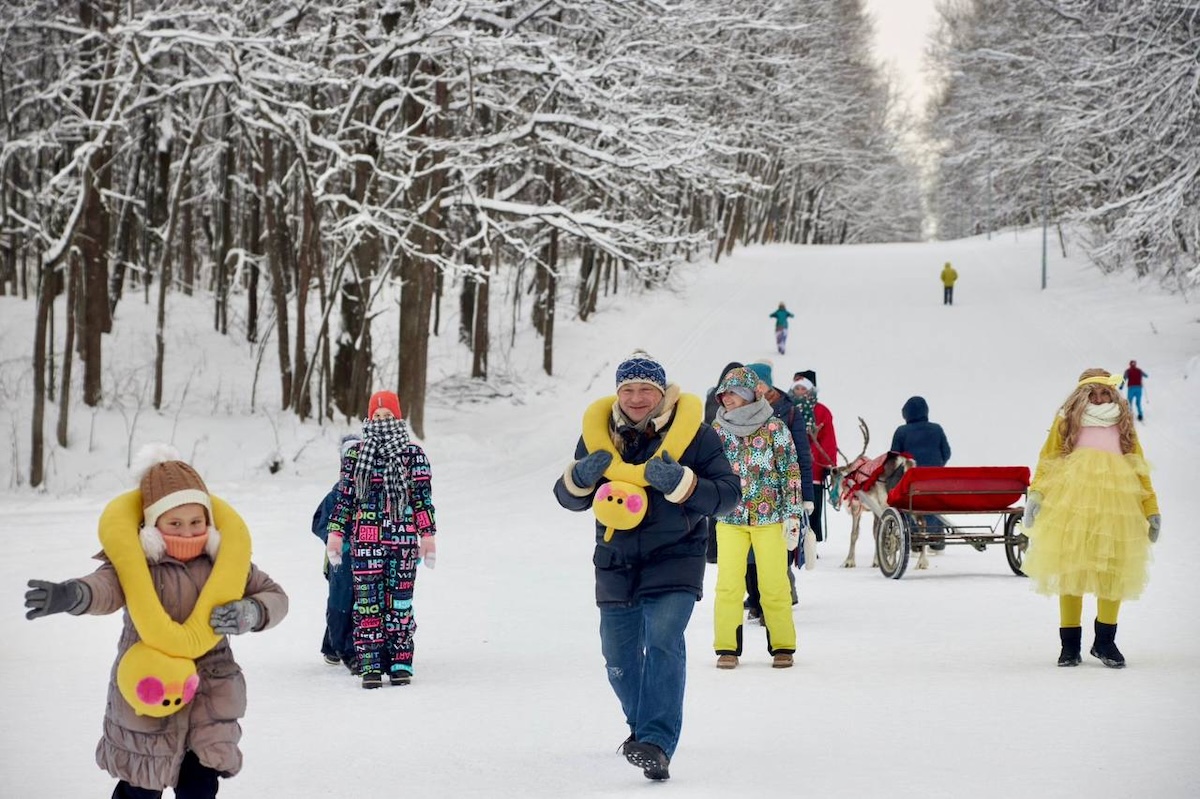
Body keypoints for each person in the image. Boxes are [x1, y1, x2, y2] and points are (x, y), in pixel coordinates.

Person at [23, 444, 288, 799]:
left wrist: (251, 612)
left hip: (208, 695)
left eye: (196, 522)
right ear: (152, 524)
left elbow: (275, 596)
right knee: (140, 787)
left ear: (209, 521)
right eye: (174, 523)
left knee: (200, 785)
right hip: (149, 698)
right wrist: (72, 595)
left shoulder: (224, 563)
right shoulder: (138, 563)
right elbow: (105, 586)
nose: (187, 531)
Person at [553, 350, 740, 781]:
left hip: (676, 555)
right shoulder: (600, 435)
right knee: (617, 658)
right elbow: (566, 498)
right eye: (628, 389)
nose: (637, 398)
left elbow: (729, 495)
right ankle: (641, 727)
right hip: (616, 559)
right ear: (618, 393)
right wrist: (579, 479)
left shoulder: (696, 436)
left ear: (662, 393)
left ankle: (656, 743)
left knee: (661, 640)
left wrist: (683, 484)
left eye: (646, 390)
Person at [1020, 369, 1160, 668]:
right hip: (1073, 506)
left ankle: (1105, 642)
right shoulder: (1067, 422)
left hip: (1116, 510)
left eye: (1104, 393)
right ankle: (1069, 646)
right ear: (1081, 396)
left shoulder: (1123, 425)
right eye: (1092, 394)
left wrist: (1151, 508)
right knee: (1072, 570)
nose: (1098, 399)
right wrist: (1037, 495)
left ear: (1113, 394)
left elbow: (1139, 469)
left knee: (1112, 571)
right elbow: (1048, 461)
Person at [326, 390, 437, 689]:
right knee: (367, 606)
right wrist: (335, 533)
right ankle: (371, 666)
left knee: (400, 605)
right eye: (377, 416)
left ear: (398, 418)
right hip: (364, 543)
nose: (383, 421)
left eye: (388, 416)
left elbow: (421, 498)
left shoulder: (413, 454)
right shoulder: (355, 455)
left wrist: (427, 535)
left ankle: (400, 663)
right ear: (369, 418)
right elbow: (345, 497)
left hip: (401, 543)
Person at [711, 366, 803, 670]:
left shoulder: (775, 427)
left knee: (774, 583)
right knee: (728, 584)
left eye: (734, 392)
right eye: (724, 393)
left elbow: (790, 471)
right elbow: (708, 471)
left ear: (751, 394)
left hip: (771, 518)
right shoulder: (717, 429)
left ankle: (782, 646)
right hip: (730, 517)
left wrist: (793, 514)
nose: (727, 398)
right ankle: (726, 647)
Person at [744, 361, 815, 614]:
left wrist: (806, 496)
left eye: (759, 383)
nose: (756, 389)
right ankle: (756, 599)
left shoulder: (789, 411)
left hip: (782, 491)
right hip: (748, 493)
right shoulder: (743, 409)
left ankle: (778, 600)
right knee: (749, 553)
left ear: (768, 383)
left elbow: (802, 455)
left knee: (778, 550)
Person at [313, 433, 361, 671]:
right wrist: (337, 542)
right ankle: (335, 646)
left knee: (359, 603)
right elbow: (318, 523)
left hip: (365, 559)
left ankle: (348, 647)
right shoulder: (336, 495)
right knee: (339, 604)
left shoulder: (368, 492)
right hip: (339, 562)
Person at [890, 396, 952, 548]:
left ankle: (915, 542)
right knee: (933, 505)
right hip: (935, 481)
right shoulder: (937, 429)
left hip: (911, 481)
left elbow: (893, 459)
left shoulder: (902, 431)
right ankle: (937, 542)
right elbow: (947, 452)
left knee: (909, 504)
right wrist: (937, 466)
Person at [703, 361, 745, 563]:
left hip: (713, 456)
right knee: (729, 504)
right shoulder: (730, 401)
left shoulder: (713, 397)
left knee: (715, 506)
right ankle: (720, 550)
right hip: (729, 457)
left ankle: (712, 551)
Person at [790, 375, 837, 543]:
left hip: (814, 467)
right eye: (797, 389)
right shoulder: (788, 409)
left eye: (804, 389)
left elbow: (828, 439)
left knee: (813, 507)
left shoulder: (821, 411)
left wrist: (827, 464)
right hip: (790, 466)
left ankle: (811, 540)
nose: (800, 392)